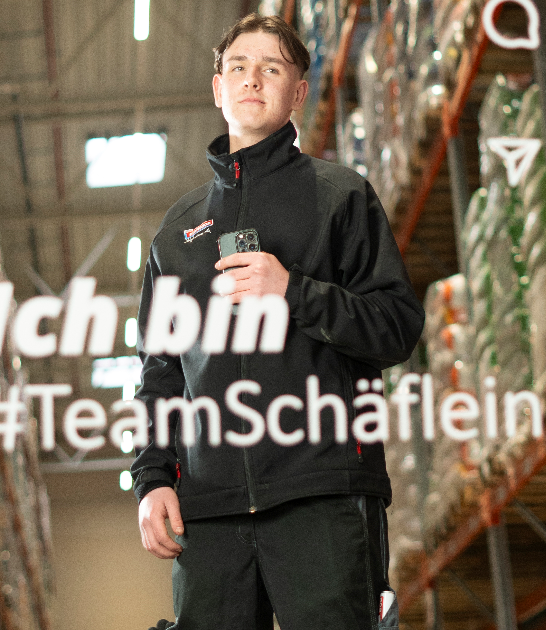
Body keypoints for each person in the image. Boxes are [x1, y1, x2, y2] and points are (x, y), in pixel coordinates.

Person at [129, 13, 424, 630]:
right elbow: (160, 373)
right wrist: (153, 478)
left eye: (272, 68)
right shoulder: (176, 234)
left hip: (323, 494)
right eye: (238, 67)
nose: (252, 79)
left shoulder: (341, 197)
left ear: (298, 93)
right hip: (211, 509)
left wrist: (293, 291)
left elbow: (396, 327)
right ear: (218, 89)